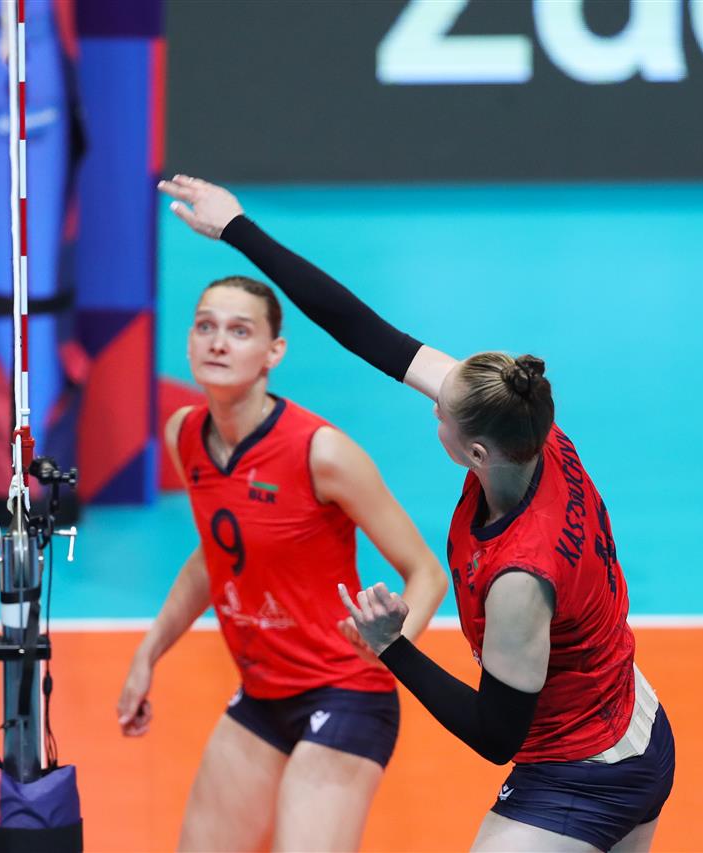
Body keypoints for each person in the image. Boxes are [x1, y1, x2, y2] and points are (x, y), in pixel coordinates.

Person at [160, 174, 675, 853]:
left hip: (583, 772)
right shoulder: (527, 422)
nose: (433, 406)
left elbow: (496, 734)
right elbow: (366, 330)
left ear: (475, 451)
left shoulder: (521, 577)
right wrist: (237, 228)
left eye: (441, 414)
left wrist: (390, 646)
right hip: (632, 717)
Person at [116, 274, 446, 851]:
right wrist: (148, 653)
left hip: (346, 692)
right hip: (262, 693)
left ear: (274, 352)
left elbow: (427, 572)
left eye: (240, 331)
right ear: (189, 342)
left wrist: (391, 647)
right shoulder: (185, 435)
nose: (219, 342)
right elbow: (215, 556)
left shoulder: (321, 452)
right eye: (206, 327)